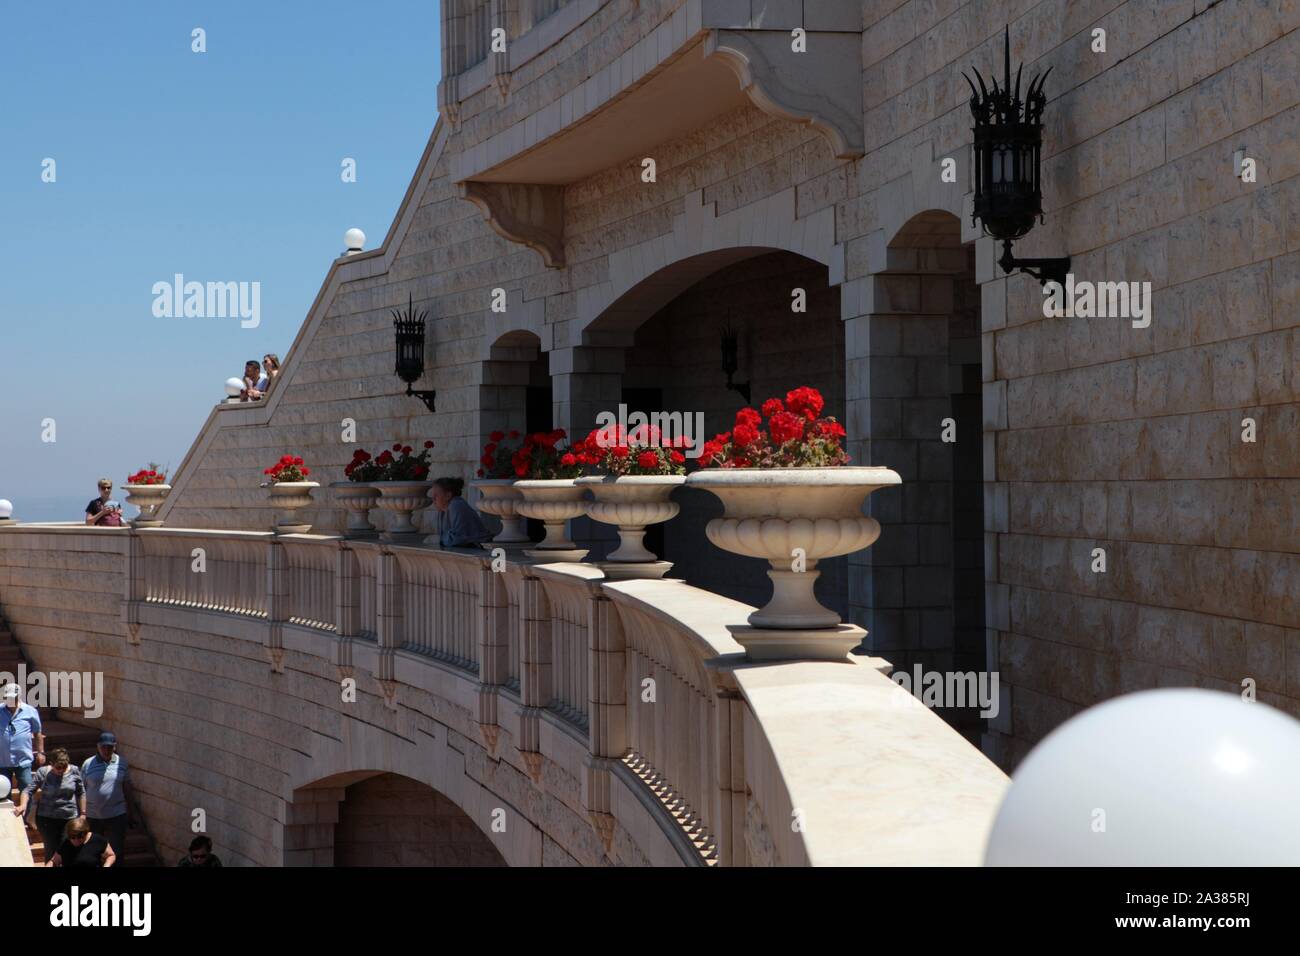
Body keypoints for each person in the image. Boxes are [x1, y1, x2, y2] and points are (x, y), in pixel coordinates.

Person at [81, 732, 136, 859]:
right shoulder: (88, 764)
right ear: (98, 746)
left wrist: (131, 811)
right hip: (93, 815)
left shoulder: (122, 763)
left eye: (110, 747)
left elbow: (127, 788)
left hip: (116, 815)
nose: (106, 750)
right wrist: (82, 813)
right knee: (93, 850)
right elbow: (81, 790)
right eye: (103, 747)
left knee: (116, 851)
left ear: (115, 747)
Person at [21, 747, 86, 855]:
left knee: (68, 850)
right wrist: (23, 805)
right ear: (51, 764)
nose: (61, 770)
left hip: (69, 818)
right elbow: (27, 791)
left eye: (64, 767)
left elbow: (81, 792)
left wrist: (83, 813)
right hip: (47, 819)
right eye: (58, 767)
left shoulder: (74, 770)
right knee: (51, 851)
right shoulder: (43, 772)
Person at [0, 684, 43, 798]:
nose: (10, 700)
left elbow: (37, 733)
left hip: (23, 760)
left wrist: (40, 752)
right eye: (7, 697)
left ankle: (25, 814)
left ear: (19, 696)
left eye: (13, 697)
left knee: (27, 790)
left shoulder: (30, 711)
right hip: (2, 760)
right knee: (2, 794)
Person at [431, 477, 492, 548]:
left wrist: (439, 539)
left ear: (448, 495)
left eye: (436, 495)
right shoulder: (443, 510)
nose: (433, 499)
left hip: (477, 549)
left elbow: (458, 539)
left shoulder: (456, 505)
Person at [47, 818, 114, 868]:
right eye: (72, 837)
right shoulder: (66, 843)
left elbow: (111, 855)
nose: (76, 840)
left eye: (79, 837)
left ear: (86, 833)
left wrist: (106, 865)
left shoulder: (97, 840)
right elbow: (54, 861)